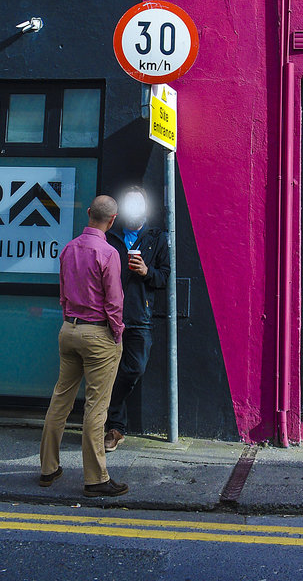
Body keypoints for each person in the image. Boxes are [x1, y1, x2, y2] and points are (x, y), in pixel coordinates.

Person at [38, 194, 128, 496]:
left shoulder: (69, 248)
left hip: (69, 330)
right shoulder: (109, 252)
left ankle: (48, 469)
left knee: (60, 400)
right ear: (112, 220)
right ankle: (96, 479)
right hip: (97, 334)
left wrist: (70, 319)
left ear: (89, 213)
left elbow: (63, 294)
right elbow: (114, 301)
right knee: (96, 407)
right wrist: (117, 334)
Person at [103, 186, 170, 451]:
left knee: (134, 368)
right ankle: (115, 428)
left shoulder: (156, 238)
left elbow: (164, 277)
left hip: (139, 315)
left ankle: (106, 409)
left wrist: (146, 271)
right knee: (107, 370)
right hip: (109, 314)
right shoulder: (110, 237)